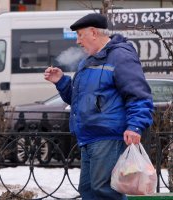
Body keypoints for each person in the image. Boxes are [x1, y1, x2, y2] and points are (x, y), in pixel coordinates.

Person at [44, 13, 153, 200]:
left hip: (108, 136)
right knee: (88, 190)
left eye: (80, 35)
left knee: (103, 190)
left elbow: (139, 95)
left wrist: (136, 125)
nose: (78, 41)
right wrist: (61, 82)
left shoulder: (120, 56)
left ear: (93, 32)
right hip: (89, 137)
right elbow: (79, 100)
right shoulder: (87, 61)